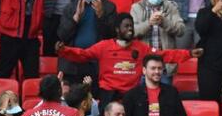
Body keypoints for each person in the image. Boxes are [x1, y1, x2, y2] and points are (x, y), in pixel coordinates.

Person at [57, 13, 200, 108]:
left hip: (131, 96)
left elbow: (163, 56)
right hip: (108, 95)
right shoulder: (104, 46)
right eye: (126, 26)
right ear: (117, 30)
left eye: (131, 25)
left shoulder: (141, 48)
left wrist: (189, 53)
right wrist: (64, 50)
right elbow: (83, 54)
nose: (130, 29)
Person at [56, 0, 117, 82]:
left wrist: (101, 15)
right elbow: (62, 36)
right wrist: (76, 18)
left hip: (98, 64)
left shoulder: (109, 7)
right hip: (73, 65)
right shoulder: (71, 7)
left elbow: (112, 36)